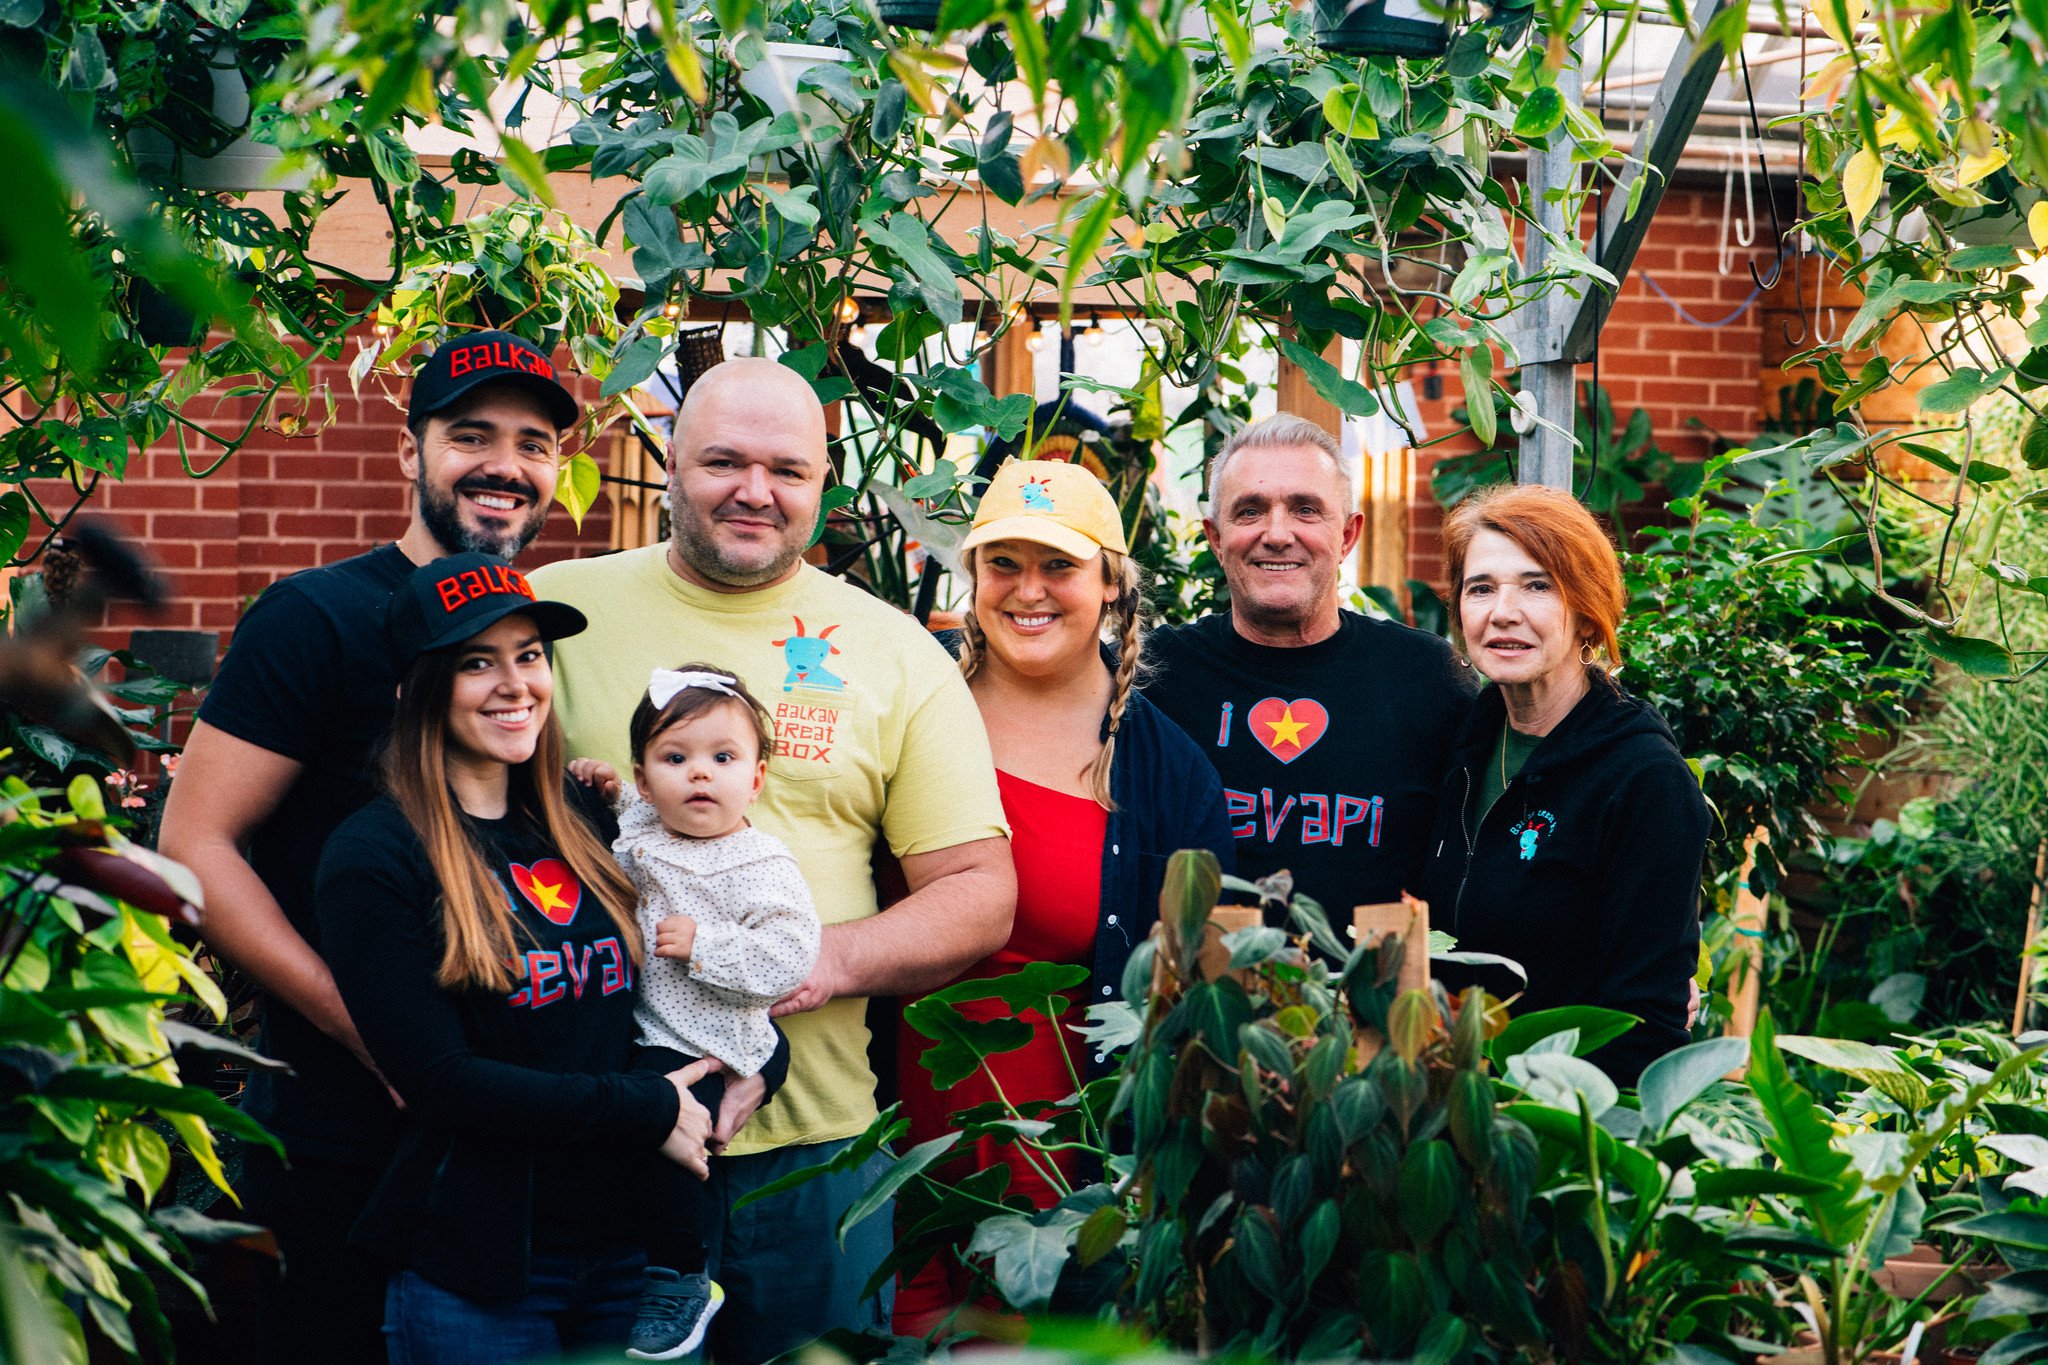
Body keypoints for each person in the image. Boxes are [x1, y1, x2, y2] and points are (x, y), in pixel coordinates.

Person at [529, 356, 1015, 1364]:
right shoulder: (549, 616)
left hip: (815, 1157)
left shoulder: (894, 652)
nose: (755, 490)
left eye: (786, 469)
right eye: (723, 462)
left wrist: (808, 965)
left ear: (823, 485)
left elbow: (976, 893)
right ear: (667, 463)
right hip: (596, 1135)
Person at [158, 331, 580, 1362]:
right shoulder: (315, 618)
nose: (502, 466)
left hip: (503, 1151)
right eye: (468, 435)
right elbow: (195, 844)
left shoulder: (536, 638)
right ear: (411, 454)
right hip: (341, 1134)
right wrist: (360, 1027)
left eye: (531, 444)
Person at [313, 555, 737, 1363]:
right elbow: (441, 1083)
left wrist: (756, 1056)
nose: (515, 684)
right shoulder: (374, 857)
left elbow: (669, 979)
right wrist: (642, 1107)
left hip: (635, 1262)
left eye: (529, 655)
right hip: (484, 1268)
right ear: (415, 687)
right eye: (477, 661)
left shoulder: (584, 818)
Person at [892, 459, 1234, 1336]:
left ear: (1113, 583)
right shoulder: (910, 710)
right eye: (1003, 563)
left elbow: (1201, 997)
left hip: (1069, 1198)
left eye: (1059, 566)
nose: (1027, 590)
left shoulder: (1165, 772)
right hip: (897, 1174)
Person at [1418, 483, 1710, 1085]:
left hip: (1564, 1133)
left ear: (1586, 611)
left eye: (1537, 585)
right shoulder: (1459, 743)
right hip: (1440, 1113)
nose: (1503, 612)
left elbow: (1645, 1025)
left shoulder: (1642, 781)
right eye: (1481, 589)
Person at [1140, 413, 1476, 925]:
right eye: (1250, 511)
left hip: (1372, 993)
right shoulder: (1155, 674)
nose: (1277, 534)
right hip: (1199, 993)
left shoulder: (1428, 679)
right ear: (1215, 536)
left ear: (1346, 536)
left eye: (1305, 510)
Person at [604, 666, 821, 1360]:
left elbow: (790, 956)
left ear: (756, 779)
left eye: (723, 758)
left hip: (707, 1038)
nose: (700, 775)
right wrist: (602, 786)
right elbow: (622, 814)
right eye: (676, 759)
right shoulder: (645, 825)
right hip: (643, 1026)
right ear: (644, 780)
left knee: (663, 1141)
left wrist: (707, 946)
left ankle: (680, 1274)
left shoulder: (760, 862)